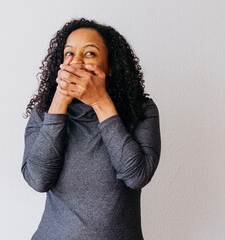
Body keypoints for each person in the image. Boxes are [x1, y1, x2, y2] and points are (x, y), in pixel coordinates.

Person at [21, 18, 161, 240]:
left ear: (111, 67)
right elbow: (38, 179)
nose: (76, 62)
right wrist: (59, 102)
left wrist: (100, 103)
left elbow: (137, 176)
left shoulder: (141, 111)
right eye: (69, 54)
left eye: (89, 54)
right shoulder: (43, 113)